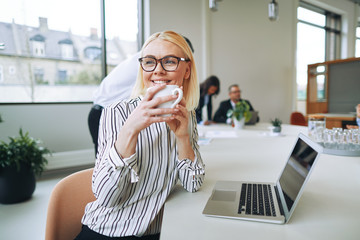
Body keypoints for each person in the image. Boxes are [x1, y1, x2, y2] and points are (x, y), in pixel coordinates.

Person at [76, 30, 205, 240]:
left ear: (187, 70)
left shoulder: (186, 115)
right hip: (109, 230)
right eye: (149, 62)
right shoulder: (115, 112)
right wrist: (130, 129)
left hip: (160, 232)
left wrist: (183, 138)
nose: (158, 71)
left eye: (170, 62)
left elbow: (193, 183)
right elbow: (107, 197)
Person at [88, 38, 194, 156]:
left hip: (105, 109)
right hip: (102, 112)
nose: (159, 70)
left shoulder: (149, 57)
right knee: (104, 158)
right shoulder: (146, 60)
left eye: (170, 62)